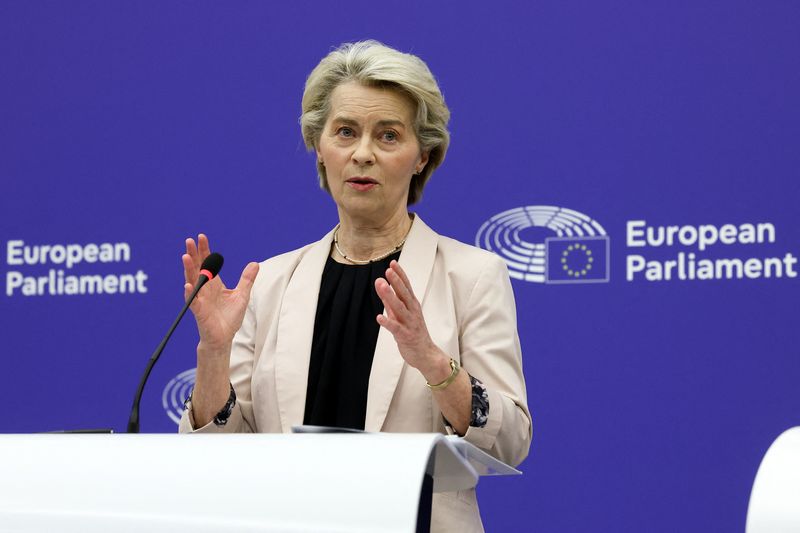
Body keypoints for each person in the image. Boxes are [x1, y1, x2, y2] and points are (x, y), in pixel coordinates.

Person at [179, 40, 532, 532]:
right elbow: (222, 450)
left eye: (388, 136)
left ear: (422, 156)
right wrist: (213, 352)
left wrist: (432, 361)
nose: (363, 153)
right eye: (345, 132)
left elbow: (511, 440)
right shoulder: (272, 282)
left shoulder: (471, 276)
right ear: (320, 149)